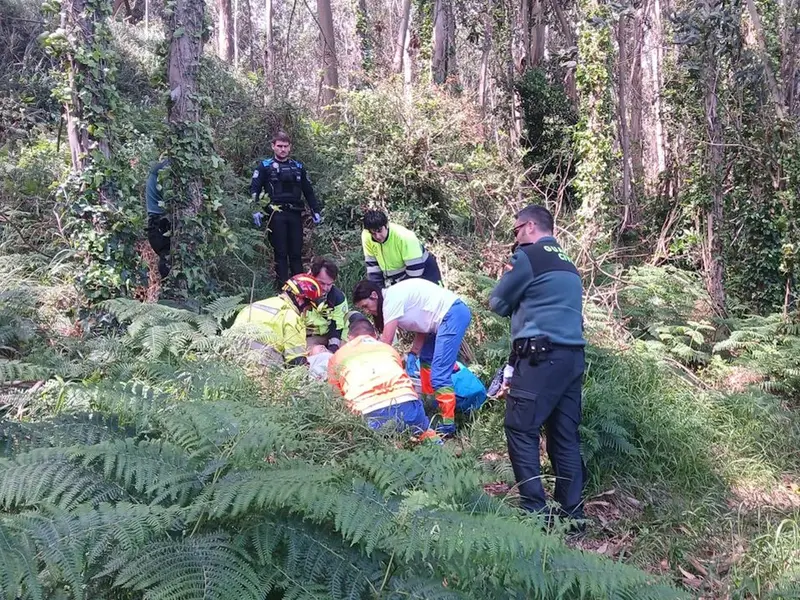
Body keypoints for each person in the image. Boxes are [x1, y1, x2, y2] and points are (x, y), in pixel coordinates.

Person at [489, 204, 587, 523]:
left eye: (515, 231)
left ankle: (535, 513)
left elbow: (497, 303)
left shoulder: (529, 257)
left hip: (540, 356)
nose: (515, 238)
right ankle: (572, 517)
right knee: (564, 436)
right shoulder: (569, 265)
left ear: (530, 227)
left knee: (520, 428)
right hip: (572, 359)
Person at [352, 278, 471, 436]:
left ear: (374, 295)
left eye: (366, 306)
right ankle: (434, 408)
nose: (367, 311)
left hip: (452, 315)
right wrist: (414, 353)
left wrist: (370, 366)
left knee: (439, 375)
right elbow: (422, 324)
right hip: (439, 322)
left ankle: (448, 424)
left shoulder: (390, 300)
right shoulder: (393, 297)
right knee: (426, 363)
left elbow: (386, 342)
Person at [327, 315, 438, 442]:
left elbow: (335, 397)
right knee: (424, 431)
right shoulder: (388, 349)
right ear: (374, 335)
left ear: (349, 338)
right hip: (408, 406)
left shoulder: (337, 357)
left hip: (368, 413)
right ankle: (439, 450)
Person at [251, 131, 322, 288]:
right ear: (273, 146)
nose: (282, 149)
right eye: (279, 146)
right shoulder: (265, 167)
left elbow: (308, 190)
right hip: (275, 214)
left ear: (290, 148)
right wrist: (255, 209)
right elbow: (255, 189)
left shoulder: (298, 167)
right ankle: (283, 287)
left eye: (285, 146)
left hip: (295, 213)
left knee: (296, 253)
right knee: (281, 252)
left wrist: (315, 210)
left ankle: (299, 288)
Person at [231, 274, 323, 366]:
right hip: (259, 363)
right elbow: (296, 361)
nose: (306, 311)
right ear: (300, 299)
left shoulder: (254, 305)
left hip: (231, 354)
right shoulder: (292, 317)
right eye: (309, 307)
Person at [361, 210, 441, 288]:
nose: (377, 236)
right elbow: (373, 267)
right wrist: (378, 292)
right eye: (373, 233)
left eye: (379, 231)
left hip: (425, 273)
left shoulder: (405, 237)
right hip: (398, 277)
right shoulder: (366, 236)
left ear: (387, 225)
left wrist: (399, 290)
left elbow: (415, 272)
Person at [306, 257, 348, 352]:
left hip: (328, 335)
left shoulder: (338, 297)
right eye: (322, 283)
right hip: (305, 336)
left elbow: (337, 326)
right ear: (311, 276)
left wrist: (333, 348)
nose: (325, 288)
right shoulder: (300, 293)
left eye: (330, 284)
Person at [145, 157, 171, 278]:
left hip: (155, 225)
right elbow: (172, 199)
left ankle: (167, 290)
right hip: (160, 226)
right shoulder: (166, 169)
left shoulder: (158, 169)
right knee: (167, 261)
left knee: (166, 260)